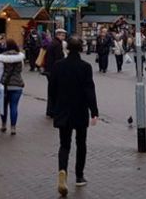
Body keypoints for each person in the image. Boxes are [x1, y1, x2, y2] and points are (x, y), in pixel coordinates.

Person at [49, 37, 99, 196]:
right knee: (81, 143)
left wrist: (54, 107)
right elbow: (89, 90)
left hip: (63, 110)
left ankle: (62, 170)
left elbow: (52, 88)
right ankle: (79, 175)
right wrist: (94, 111)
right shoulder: (85, 67)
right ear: (81, 48)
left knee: (64, 144)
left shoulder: (58, 66)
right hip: (80, 110)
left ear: (67, 48)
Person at [0, 39, 26, 134]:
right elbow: (22, 70)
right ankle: (13, 127)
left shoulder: (2, 58)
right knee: (14, 106)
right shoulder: (20, 57)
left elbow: (0, 72)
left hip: (5, 85)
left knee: (3, 106)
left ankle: (3, 125)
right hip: (17, 84)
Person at [43, 28, 67, 117]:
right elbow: (58, 59)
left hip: (49, 70)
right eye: (63, 35)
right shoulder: (57, 44)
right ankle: (54, 111)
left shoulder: (52, 43)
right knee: (56, 92)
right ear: (58, 35)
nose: (64, 37)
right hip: (55, 72)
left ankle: (50, 110)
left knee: (51, 91)